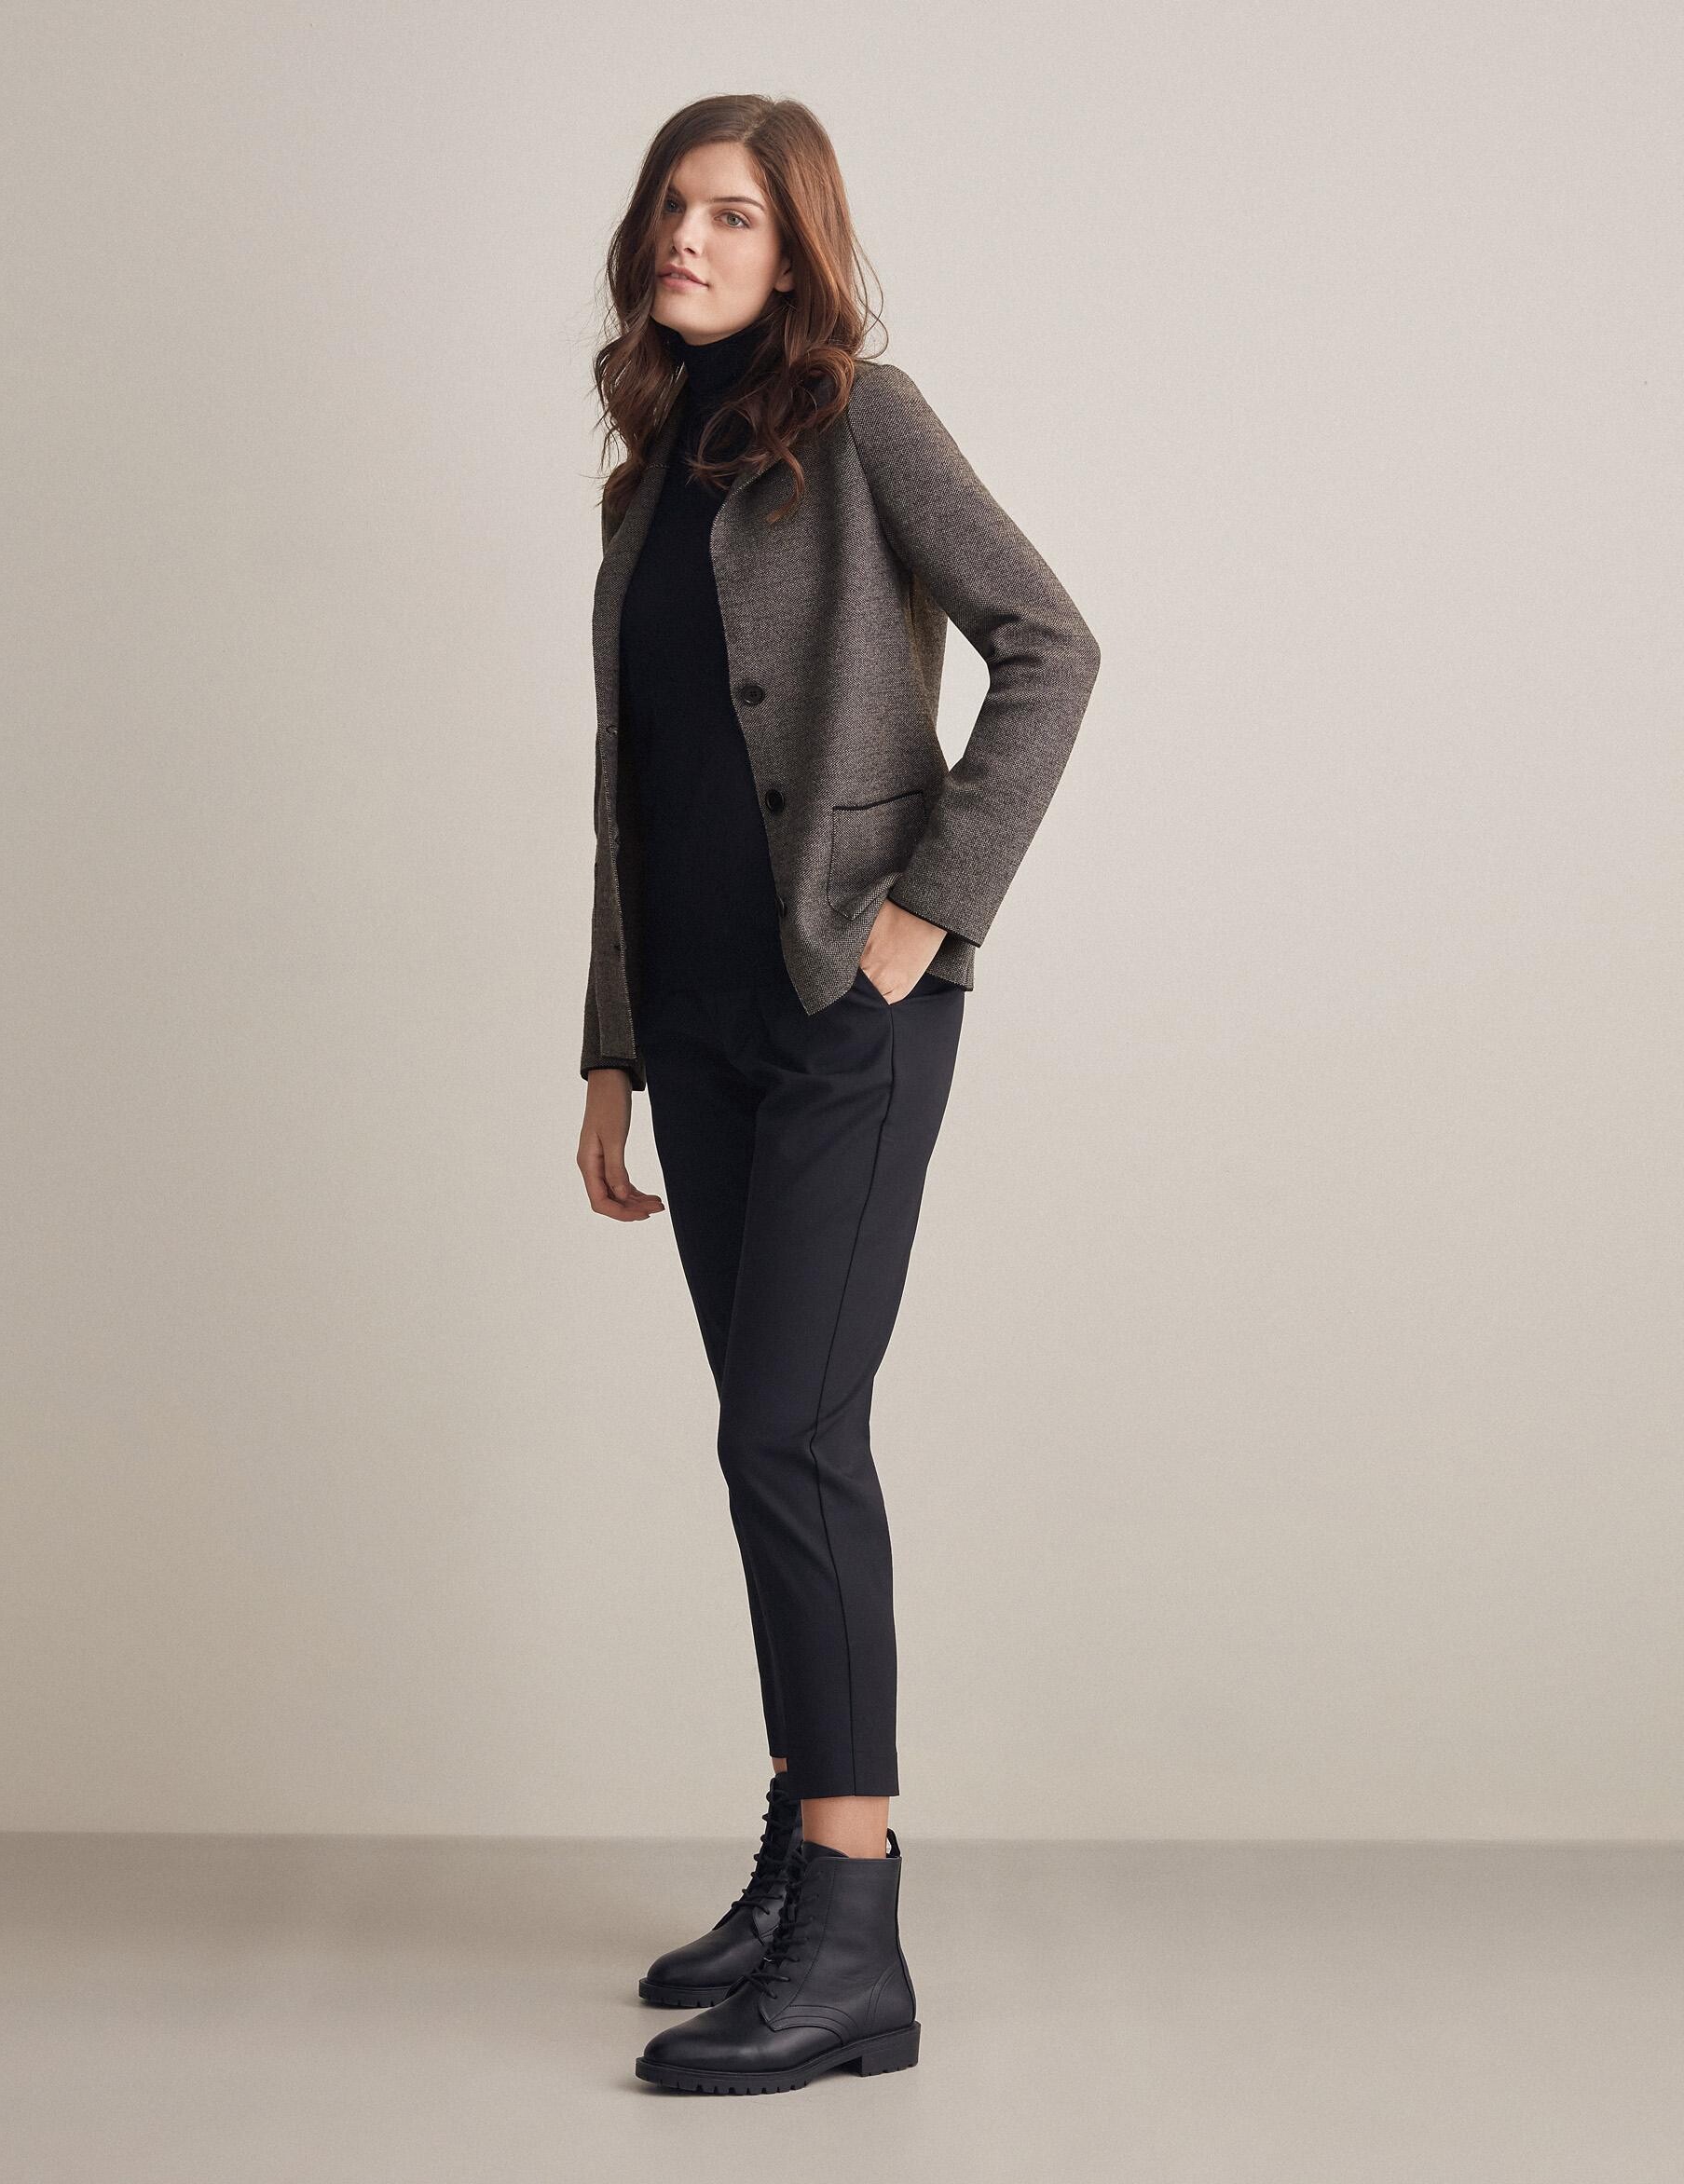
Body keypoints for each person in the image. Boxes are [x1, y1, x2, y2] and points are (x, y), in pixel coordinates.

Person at [575, 95, 1102, 2096]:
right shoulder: (647, 480)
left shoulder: (864, 421)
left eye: (731, 213)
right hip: (698, 1020)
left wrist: (923, 915)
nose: (688, 238)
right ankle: (805, 1860)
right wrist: (610, 1045)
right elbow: (631, 794)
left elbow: (1052, 646)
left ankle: (856, 1934)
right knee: (765, 1447)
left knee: (790, 1435)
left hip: (839, 1017)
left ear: (795, 247)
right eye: (670, 207)